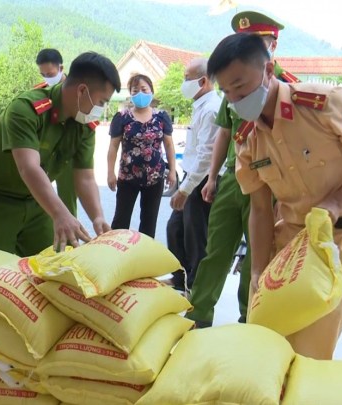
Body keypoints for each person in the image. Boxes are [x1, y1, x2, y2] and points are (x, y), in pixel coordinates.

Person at [207, 32, 342, 359]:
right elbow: (259, 209)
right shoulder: (247, 139)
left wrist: (337, 202)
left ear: (268, 71)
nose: (234, 99)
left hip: (340, 237)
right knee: (271, 339)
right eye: (226, 91)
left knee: (312, 343)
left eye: (240, 86)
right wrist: (257, 269)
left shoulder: (324, 105)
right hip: (290, 240)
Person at [188, 11, 299, 327]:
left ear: (272, 46)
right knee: (216, 252)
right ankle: (198, 315)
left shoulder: (286, 87)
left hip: (270, 182)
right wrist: (212, 177)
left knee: (258, 256)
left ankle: (249, 318)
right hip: (234, 179)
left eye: (257, 42)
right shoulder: (232, 81)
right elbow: (225, 130)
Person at [0, 52, 120, 256]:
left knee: (50, 267)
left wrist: (97, 217)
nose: (101, 109)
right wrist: (60, 213)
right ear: (82, 91)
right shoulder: (26, 109)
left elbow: (84, 177)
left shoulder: (83, 125)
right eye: (101, 102)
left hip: (37, 201)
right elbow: (28, 167)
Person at [165, 58, 223, 292]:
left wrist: (186, 189)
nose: (184, 83)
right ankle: (181, 278)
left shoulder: (211, 109)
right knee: (175, 229)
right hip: (192, 178)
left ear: (203, 81)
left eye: (187, 78)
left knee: (196, 237)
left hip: (202, 182)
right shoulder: (201, 106)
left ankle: (196, 289)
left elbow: (206, 156)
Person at [107, 74, 177, 238]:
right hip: (127, 178)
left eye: (144, 89)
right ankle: (115, 256)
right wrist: (110, 173)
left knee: (149, 222)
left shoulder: (161, 117)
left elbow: (168, 145)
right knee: (120, 221)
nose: (140, 93)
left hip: (155, 178)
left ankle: (144, 260)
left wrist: (172, 170)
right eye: (135, 90)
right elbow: (113, 147)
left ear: (151, 91)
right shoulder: (122, 117)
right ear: (130, 94)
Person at [35, 49, 77, 219]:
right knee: (39, 197)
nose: (47, 77)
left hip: (68, 151)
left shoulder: (77, 90)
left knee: (67, 201)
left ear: (61, 68)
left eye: (50, 73)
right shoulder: (40, 92)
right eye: (43, 74)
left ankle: (70, 243)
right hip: (45, 152)